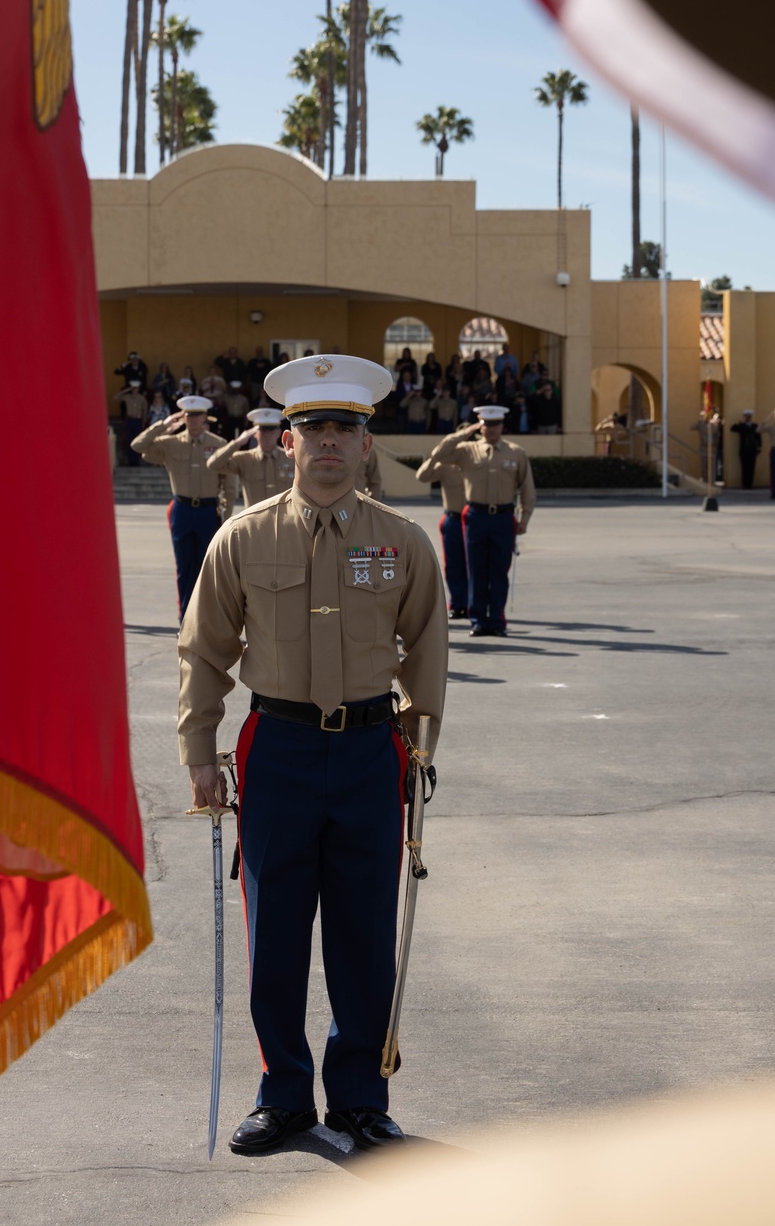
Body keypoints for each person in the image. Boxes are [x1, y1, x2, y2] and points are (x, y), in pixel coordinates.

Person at [178, 354, 448, 1155]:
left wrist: (420, 744)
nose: (328, 442)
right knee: (278, 934)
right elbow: (204, 650)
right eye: (312, 428)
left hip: (371, 752)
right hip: (280, 750)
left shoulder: (403, 543)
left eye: (345, 428)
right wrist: (200, 749)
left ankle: (360, 1098)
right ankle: (285, 1095)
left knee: (365, 937)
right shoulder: (241, 539)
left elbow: (427, 648)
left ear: (366, 445)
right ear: (286, 443)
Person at [429, 405, 536, 637]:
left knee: (499, 570)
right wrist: (464, 433)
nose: (490, 429)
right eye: (485, 424)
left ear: (502, 426)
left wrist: (524, 517)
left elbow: (527, 488)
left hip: (503, 517)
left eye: (495, 424)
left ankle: (496, 620)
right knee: (475, 569)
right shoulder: (467, 450)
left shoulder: (515, 452)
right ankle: (477, 620)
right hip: (476, 515)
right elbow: (438, 454)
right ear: (479, 425)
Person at [132, 394, 227, 620]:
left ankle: (206, 619)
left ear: (205, 417)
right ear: (182, 417)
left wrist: (228, 511)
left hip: (207, 511)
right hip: (182, 510)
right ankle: (186, 618)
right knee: (184, 567)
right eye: (188, 416)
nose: (193, 420)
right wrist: (163, 425)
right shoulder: (170, 443)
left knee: (208, 568)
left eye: (197, 415)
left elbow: (227, 481)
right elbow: (138, 446)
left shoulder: (219, 444)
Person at [415, 434, 477, 620]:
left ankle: (475, 605)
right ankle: (458, 604)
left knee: (476, 565)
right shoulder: (445, 466)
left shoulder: (479, 465)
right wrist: (435, 457)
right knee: (453, 565)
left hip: (475, 519)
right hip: (454, 519)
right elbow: (422, 476)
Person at [206, 407, 295, 507]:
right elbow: (213, 465)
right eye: (263, 430)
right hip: (255, 521)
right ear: (255, 434)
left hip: (285, 519)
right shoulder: (244, 458)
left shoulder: (291, 457)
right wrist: (237, 443)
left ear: (279, 432)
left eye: (271, 430)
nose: (267, 435)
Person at [118, 380, 148, 466]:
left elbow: (145, 409)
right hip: (130, 420)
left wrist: (144, 420)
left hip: (138, 420)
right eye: (133, 388)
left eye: (136, 388)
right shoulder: (127, 397)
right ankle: (130, 460)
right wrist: (126, 390)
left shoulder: (142, 398)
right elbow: (116, 398)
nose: (135, 390)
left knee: (137, 439)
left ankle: (137, 459)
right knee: (129, 439)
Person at [730, 410, 762, 489]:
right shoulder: (742, 426)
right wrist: (740, 423)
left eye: (749, 417)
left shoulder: (755, 426)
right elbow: (732, 429)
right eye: (746, 417)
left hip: (752, 450)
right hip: (744, 450)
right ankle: (745, 484)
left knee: (751, 467)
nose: (748, 419)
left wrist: (759, 448)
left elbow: (759, 438)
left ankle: (750, 484)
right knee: (744, 467)